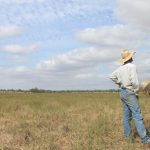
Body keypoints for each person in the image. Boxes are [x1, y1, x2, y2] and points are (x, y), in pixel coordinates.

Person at [109, 49, 150, 143]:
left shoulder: (120, 68)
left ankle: (127, 138)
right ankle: (145, 139)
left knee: (126, 116)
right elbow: (134, 82)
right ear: (130, 57)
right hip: (130, 92)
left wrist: (119, 82)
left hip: (122, 92)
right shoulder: (132, 66)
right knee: (137, 116)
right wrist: (137, 90)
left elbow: (111, 76)